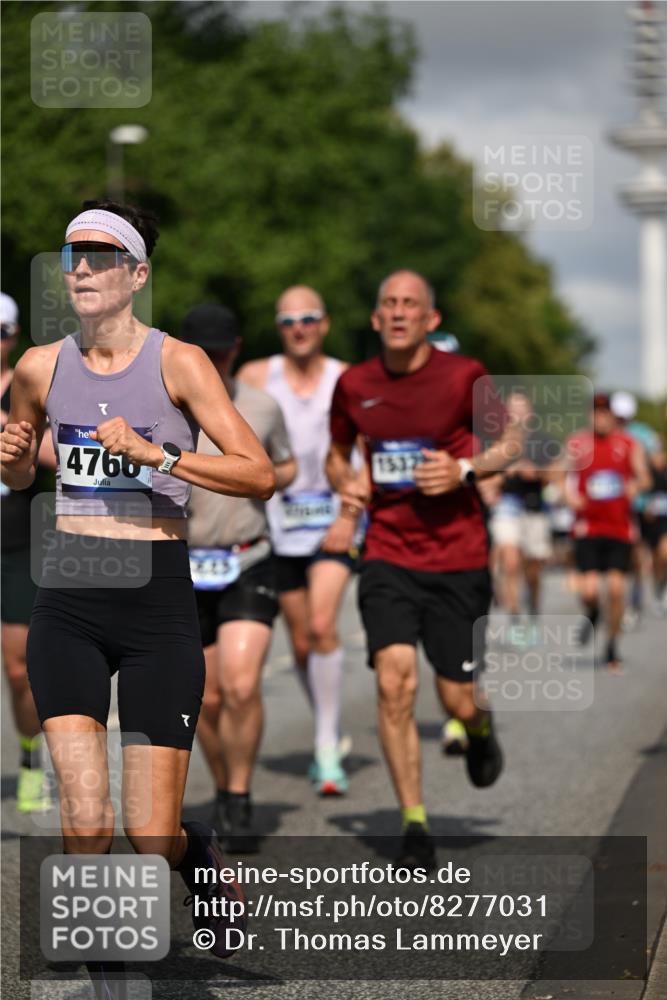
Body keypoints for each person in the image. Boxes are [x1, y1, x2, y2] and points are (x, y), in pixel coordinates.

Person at [0, 201, 275, 975]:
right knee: (86, 821)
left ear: (137, 274)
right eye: (71, 255)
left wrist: (160, 457)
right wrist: (15, 454)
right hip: (71, 593)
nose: (80, 268)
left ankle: (203, 867)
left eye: (99, 255)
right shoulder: (38, 367)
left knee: (151, 835)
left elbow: (257, 473)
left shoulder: (180, 362)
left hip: (157, 599)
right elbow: (19, 470)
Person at [326, 270, 523, 870]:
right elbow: (336, 454)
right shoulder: (354, 383)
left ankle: (480, 731)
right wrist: (347, 484)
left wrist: (466, 470)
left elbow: (512, 441)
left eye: (411, 303)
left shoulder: (464, 375)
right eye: (388, 302)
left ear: (430, 319)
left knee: (459, 698)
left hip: (458, 556)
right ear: (376, 318)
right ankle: (414, 820)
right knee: (393, 681)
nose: (399, 311)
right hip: (387, 550)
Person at [238, 285, 363, 795]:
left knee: (320, 620)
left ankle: (326, 746)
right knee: (302, 640)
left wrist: (351, 513)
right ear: (278, 327)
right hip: (280, 525)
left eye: (308, 318)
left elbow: (365, 454)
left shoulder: (346, 379)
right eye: (289, 320)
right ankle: (325, 729)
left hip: (334, 519)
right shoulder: (254, 377)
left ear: (325, 323)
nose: (299, 328)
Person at [181, 303, 296, 852]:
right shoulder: (164, 406)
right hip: (186, 564)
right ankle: (225, 783)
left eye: (222, 349)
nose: (216, 358)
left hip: (248, 558)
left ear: (236, 348)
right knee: (207, 698)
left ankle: (240, 794)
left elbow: (283, 464)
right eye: (205, 350)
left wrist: (266, 480)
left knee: (243, 683)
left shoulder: (262, 407)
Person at [1, 292, 56, 813]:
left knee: (19, 670)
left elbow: (57, 457)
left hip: (16, 548)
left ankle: (28, 754)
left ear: (13, 336)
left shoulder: (23, 389)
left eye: (1, 331)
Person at [564, 392, 651, 672]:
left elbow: (644, 478)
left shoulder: (628, 444)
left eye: (605, 413)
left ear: (613, 416)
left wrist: (634, 487)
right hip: (587, 527)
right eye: (595, 413)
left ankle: (611, 646)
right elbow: (559, 474)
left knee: (615, 590)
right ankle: (592, 612)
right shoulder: (577, 442)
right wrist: (568, 496)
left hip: (619, 528)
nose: (600, 418)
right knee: (589, 591)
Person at [489, 392, 554, 646]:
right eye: (512, 410)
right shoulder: (497, 442)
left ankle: (533, 614)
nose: (516, 415)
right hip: (507, 507)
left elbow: (556, 477)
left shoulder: (542, 441)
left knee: (533, 571)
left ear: (530, 414)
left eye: (521, 409)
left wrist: (537, 473)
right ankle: (515, 620)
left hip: (535, 508)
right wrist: (505, 472)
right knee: (510, 562)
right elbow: (487, 476)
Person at [610, 390, 662, 626]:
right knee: (632, 557)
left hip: (643, 504)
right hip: (617, 507)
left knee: (651, 554)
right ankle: (630, 602)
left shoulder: (644, 435)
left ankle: (649, 593)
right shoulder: (604, 434)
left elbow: (656, 468)